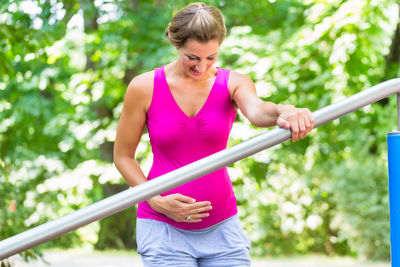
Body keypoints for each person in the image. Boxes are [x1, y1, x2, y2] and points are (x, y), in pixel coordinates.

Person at [113, 2, 314, 266]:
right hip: (163, 230)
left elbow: (257, 112)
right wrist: (156, 200)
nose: (202, 67)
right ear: (177, 45)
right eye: (192, 58)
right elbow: (123, 156)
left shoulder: (233, 83)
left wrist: (284, 110)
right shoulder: (144, 86)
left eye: (211, 57)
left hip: (222, 229)